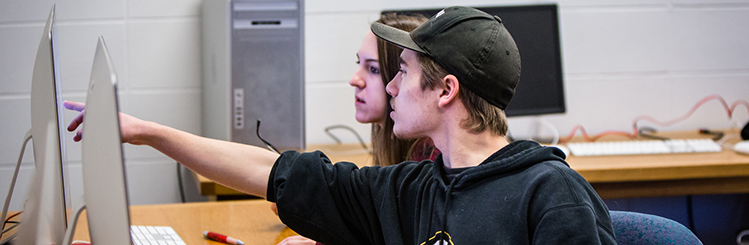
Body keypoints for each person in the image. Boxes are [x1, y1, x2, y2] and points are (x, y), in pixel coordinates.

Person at [66, 6, 615, 244]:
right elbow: (273, 172)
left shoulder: (550, 193)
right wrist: (147, 132)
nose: (390, 87)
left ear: (446, 91)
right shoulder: (411, 189)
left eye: (401, 73)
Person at [350, 13, 437, 167]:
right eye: (359, 62)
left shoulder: (428, 162)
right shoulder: (393, 147)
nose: (354, 80)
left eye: (373, 69)